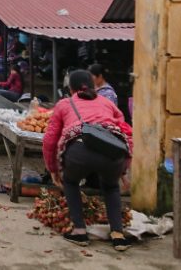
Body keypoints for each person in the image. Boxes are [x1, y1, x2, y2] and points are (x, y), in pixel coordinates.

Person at [42, 70, 133, 252]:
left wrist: (52, 168)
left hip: (79, 151)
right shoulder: (108, 103)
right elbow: (125, 134)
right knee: (111, 187)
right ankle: (118, 235)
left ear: (70, 88)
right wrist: (123, 168)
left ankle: (79, 231)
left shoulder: (64, 104)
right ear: (93, 86)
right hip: (113, 154)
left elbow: (50, 139)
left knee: (71, 181)